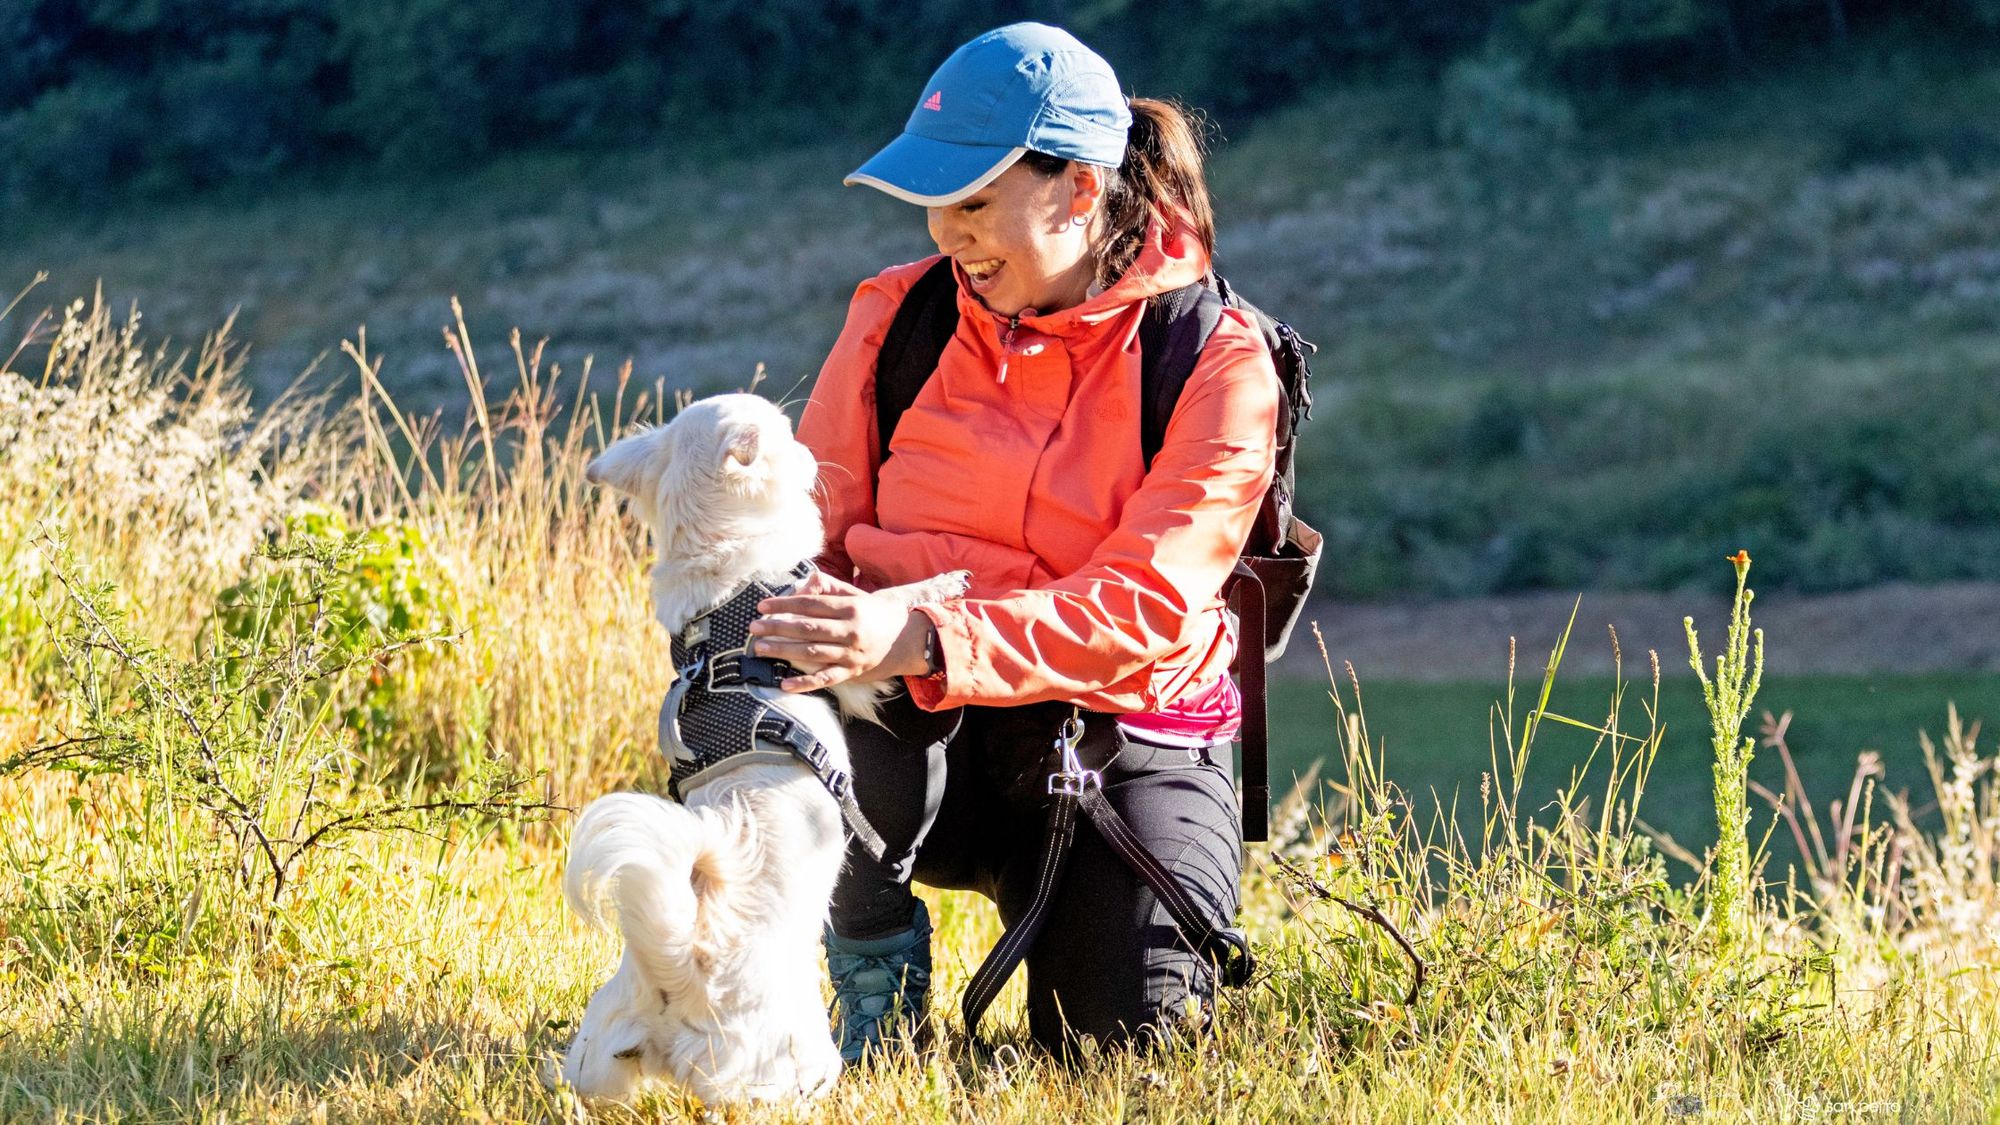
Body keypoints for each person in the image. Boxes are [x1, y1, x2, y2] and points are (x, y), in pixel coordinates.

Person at [745, 22, 1280, 1059]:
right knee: (773, 692)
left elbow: (1139, 609)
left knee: (1123, 1053)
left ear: (1079, 190)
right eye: (935, 204)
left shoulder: (1215, 358)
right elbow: (800, 541)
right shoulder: (896, 316)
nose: (947, 233)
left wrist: (925, 637)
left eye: (975, 202)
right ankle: (868, 977)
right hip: (907, 739)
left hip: (1121, 737)